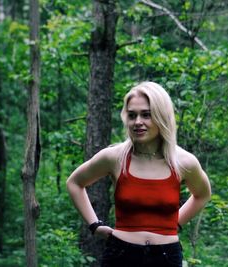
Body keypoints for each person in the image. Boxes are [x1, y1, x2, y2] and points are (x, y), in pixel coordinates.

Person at [66, 81, 211, 267]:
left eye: (146, 115)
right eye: (132, 115)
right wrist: (94, 225)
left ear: (162, 116)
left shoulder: (183, 161)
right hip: (120, 255)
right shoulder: (115, 157)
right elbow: (75, 183)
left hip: (166, 258)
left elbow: (202, 195)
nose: (137, 122)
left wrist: (176, 223)